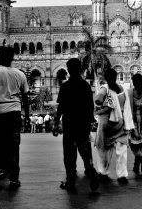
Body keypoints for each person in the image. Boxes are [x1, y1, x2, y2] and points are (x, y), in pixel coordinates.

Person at [0, 47, 30, 189]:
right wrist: (27, 115)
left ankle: (0, 171)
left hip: (0, 113)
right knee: (14, 146)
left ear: (2, 57)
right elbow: (25, 97)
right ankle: (14, 178)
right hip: (15, 113)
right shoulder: (20, 74)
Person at [53, 58, 99, 193]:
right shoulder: (85, 86)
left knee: (69, 154)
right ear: (80, 69)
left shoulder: (65, 86)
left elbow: (61, 107)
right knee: (85, 152)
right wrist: (89, 122)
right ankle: (92, 173)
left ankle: (71, 182)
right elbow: (90, 106)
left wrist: (56, 123)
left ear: (68, 70)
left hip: (69, 125)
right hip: (83, 125)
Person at [94, 68, 134, 184]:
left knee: (103, 149)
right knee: (121, 150)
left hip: (106, 123)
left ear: (105, 78)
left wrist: (98, 103)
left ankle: (103, 172)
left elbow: (98, 99)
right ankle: (122, 175)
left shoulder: (105, 88)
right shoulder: (122, 89)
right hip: (120, 123)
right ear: (116, 77)